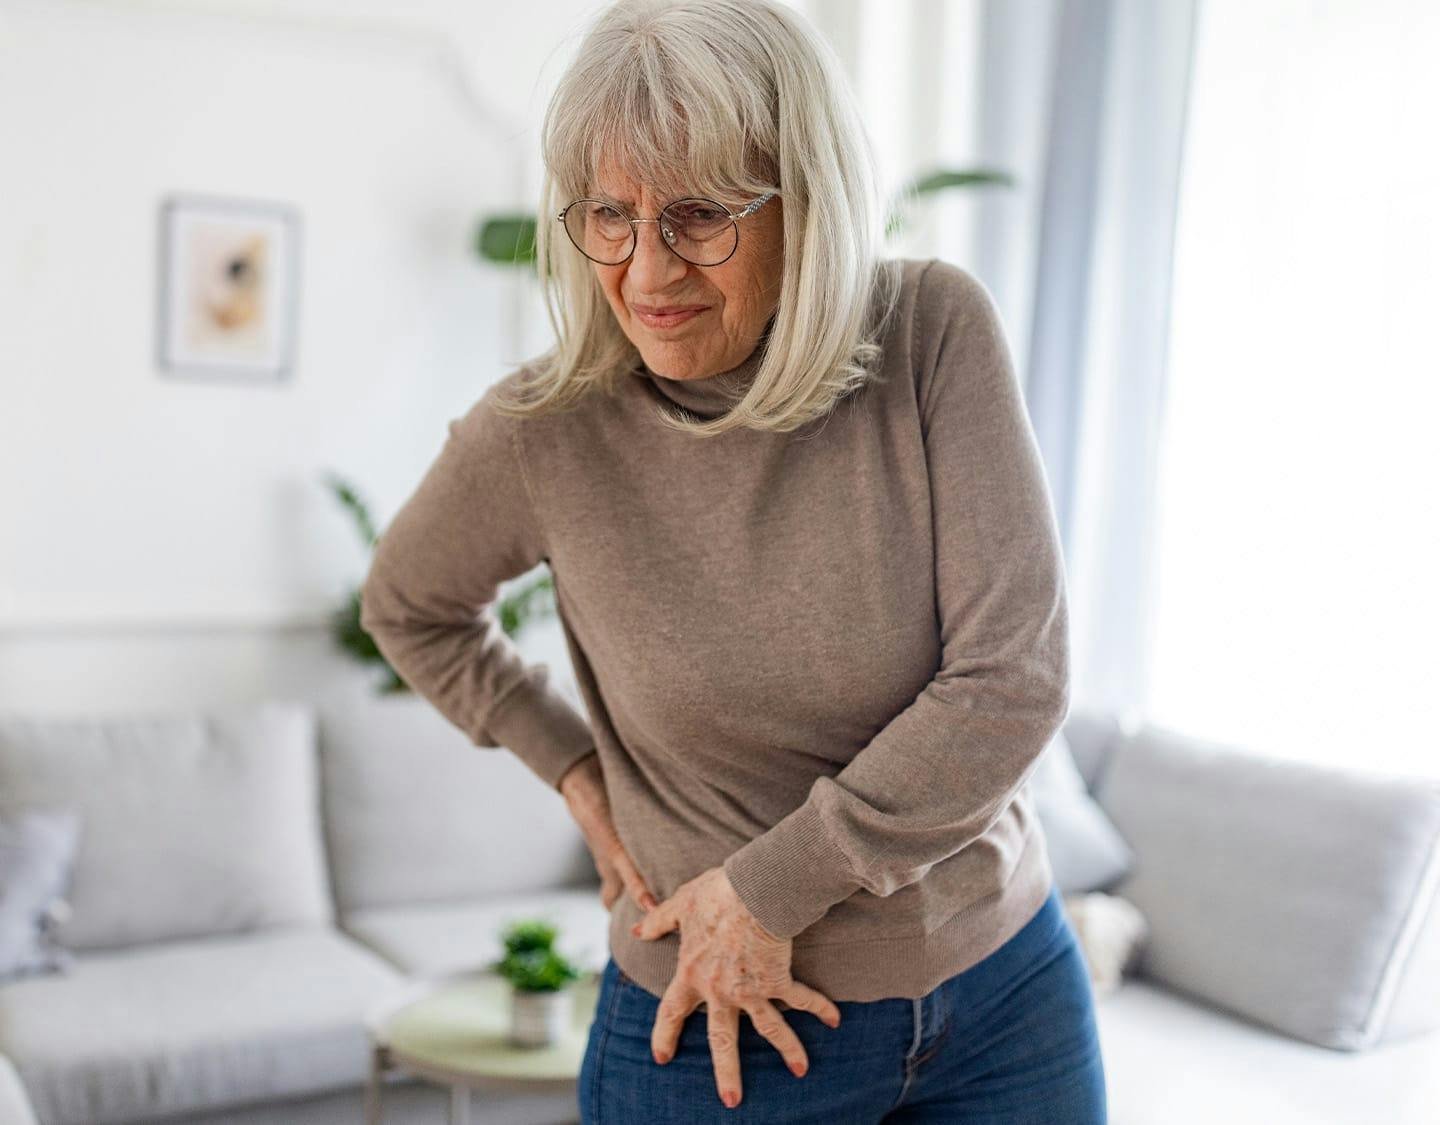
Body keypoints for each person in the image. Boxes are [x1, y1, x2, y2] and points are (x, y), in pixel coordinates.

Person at [358, 0, 1108, 1120]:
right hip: (719, 1025)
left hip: (1006, 994)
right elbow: (408, 606)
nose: (645, 269)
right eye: (607, 215)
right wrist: (574, 770)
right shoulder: (544, 433)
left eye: (700, 215)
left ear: (805, 202)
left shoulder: (931, 336)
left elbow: (1014, 682)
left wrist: (767, 890)